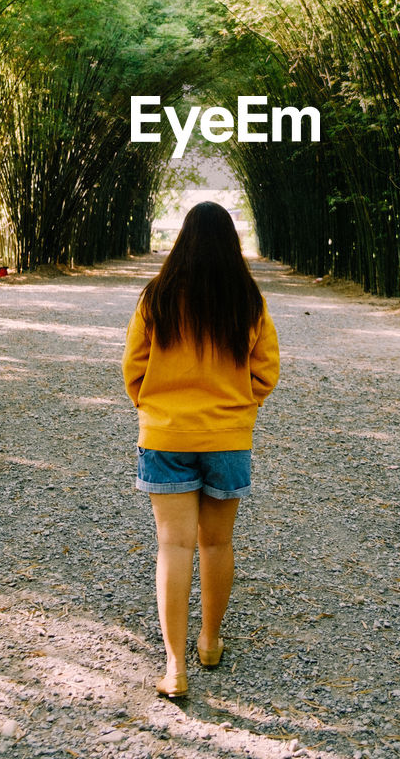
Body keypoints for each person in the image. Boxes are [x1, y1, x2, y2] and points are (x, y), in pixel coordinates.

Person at [122, 201, 280, 699]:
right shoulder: (247, 300)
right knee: (216, 543)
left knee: (173, 545)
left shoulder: (158, 297)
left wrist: (155, 410)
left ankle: (174, 666)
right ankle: (209, 642)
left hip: (166, 436)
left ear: (182, 243)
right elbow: (266, 371)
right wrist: (236, 410)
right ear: (231, 245)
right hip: (227, 439)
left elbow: (134, 367)